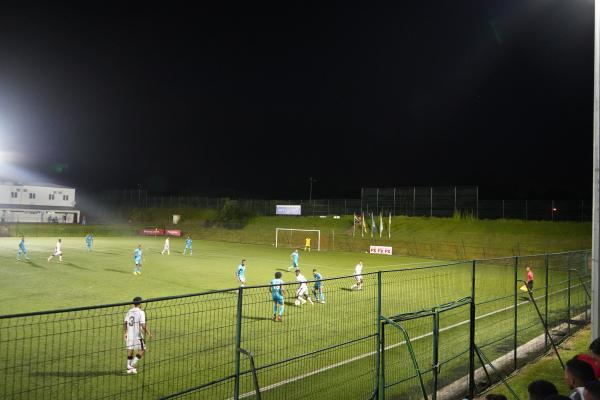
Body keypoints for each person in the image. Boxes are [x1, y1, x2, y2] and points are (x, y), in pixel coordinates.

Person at [123, 296, 152, 374]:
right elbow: (143, 324)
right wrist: (148, 333)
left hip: (129, 334)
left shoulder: (129, 311)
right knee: (143, 349)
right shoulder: (141, 312)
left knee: (130, 350)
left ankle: (129, 369)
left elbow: (125, 323)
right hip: (137, 334)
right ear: (140, 303)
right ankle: (132, 364)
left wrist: (125, 332)